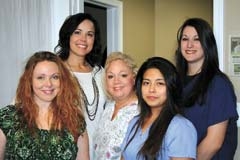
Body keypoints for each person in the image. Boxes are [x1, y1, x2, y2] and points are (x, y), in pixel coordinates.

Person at [0, 51, 89, 160]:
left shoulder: (76, 121)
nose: (48, 84)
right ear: (29, 81)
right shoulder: (7, 118)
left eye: (55, 77)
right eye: (40, 77)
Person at [175, 17, 239, 160]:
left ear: (207, 44)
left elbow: (213, 143)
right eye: (185, 39)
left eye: (197, 39)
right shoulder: (176, 81)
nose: (189, 44)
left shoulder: (218, 84)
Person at [121, 57, 197, 160]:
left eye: (160, 83)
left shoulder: (180, 127)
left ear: (171, 87)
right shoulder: (134, 122)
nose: (151, 89)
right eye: (146, 83)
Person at [55, 13, 106, 159]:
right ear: (68, 35)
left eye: (89, 34)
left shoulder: (100, 72)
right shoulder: (55, 71)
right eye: (77, 32)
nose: (83, 39)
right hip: (68, 149)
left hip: (100, 150)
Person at [93, 52, 139, 160]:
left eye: (123, 75)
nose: (116, 81)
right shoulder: (108, 108)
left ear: (134, 78)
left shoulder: (141, 112)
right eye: (110, 76)